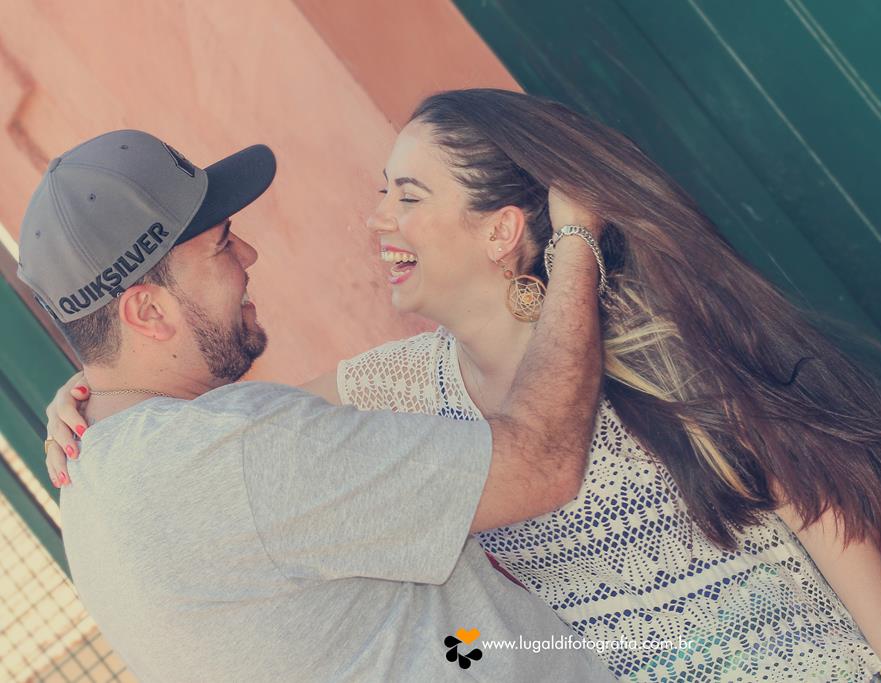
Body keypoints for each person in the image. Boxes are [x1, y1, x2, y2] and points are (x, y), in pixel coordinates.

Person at [46, 90, 881, 683]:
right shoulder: (394, 389)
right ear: (147, 312)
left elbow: (811, 494)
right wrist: (94, 397)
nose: (377, 219)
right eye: (383, 192)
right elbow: (224, 427)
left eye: (406, 194)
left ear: (501, 229)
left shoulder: (638, 336)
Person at [22, 129, 617, 681]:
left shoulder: (95, 473)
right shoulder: (229, 454)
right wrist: (576, 239)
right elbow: (541, 464)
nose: (249, 256)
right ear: (148, 312)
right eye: (222, 245)